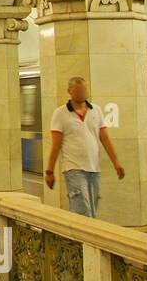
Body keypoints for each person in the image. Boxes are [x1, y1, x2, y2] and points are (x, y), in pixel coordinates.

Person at [45, 76, 125, 218]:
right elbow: (56, 145)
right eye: (79, 90)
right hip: (73, 168)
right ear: (70, 91)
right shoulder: (60, 113)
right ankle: (78, 239)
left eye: (84, 89)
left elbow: (105, 139)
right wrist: (49, 171)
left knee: (93, 210)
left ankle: (83, 239)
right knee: (82, 210)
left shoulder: (97, 111)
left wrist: (116, 162)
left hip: (94, 168)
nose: (82, 93)